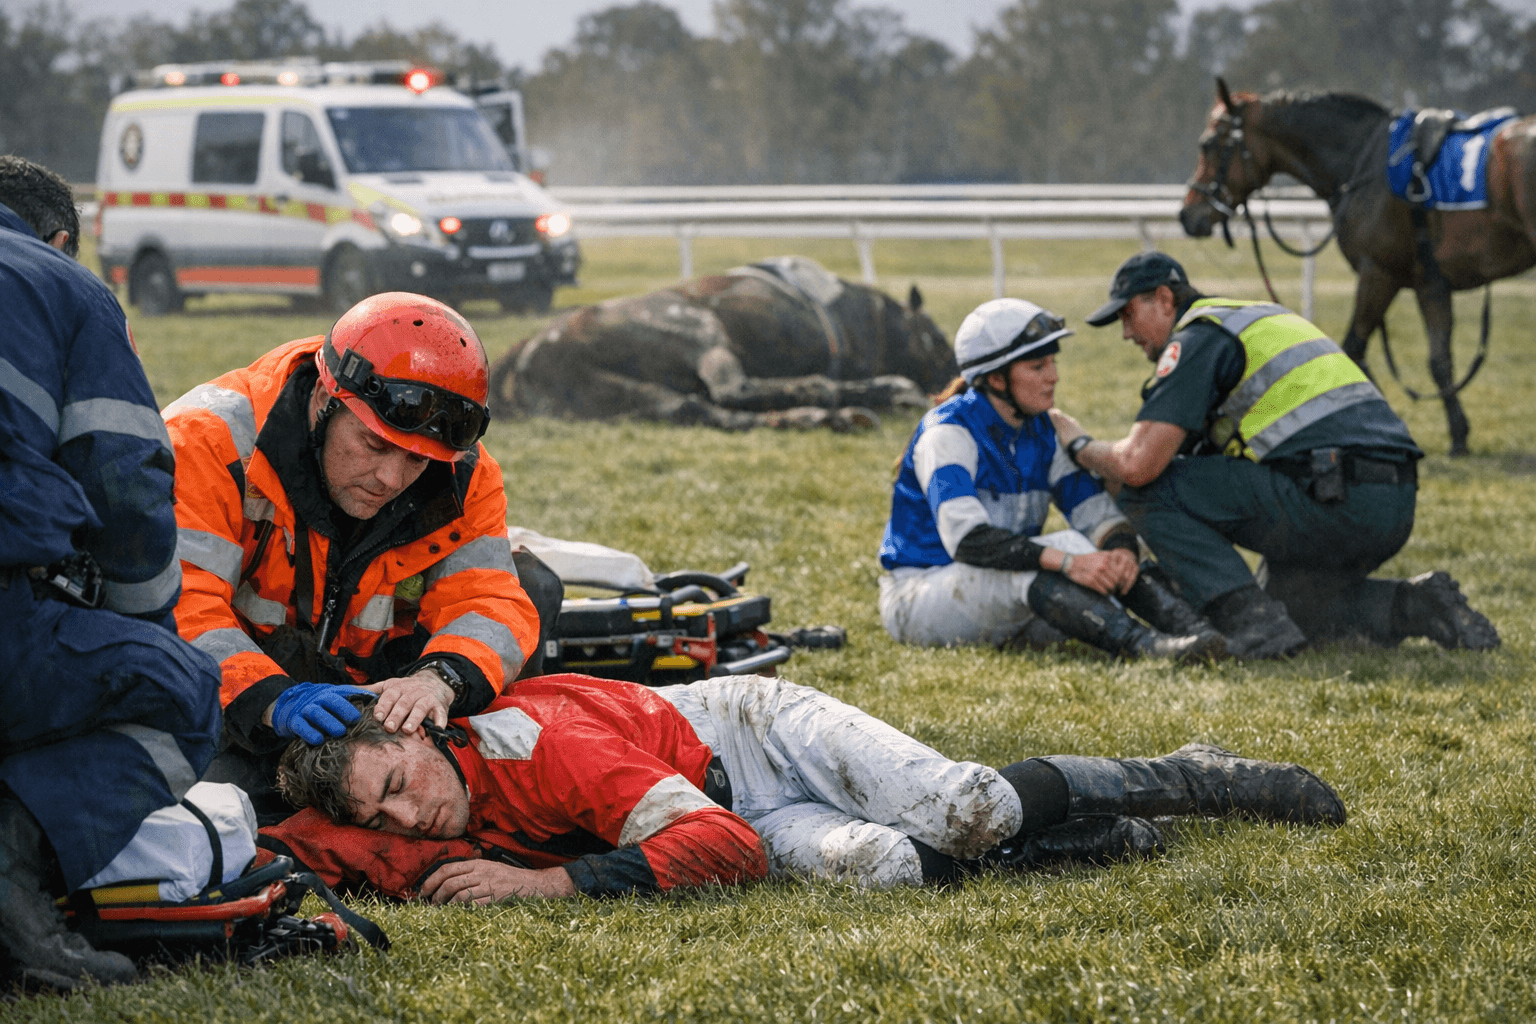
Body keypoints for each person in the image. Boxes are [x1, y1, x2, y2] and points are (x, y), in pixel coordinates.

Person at [261, 672, 1345, 899]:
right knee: (887, 870)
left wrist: (548, 886)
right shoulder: (398, 797)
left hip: (750, 733)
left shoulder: (538, 746)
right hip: (721, 797)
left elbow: (724, 850)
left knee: (964, 808)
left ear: (424, 727)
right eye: (380, 810)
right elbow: (300, 840)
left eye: (397, 779)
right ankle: (1098, 842)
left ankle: (1192, 774)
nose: (407, 816)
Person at [163, 292, 564, 824]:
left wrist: (437, 680)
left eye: (416, 461)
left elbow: (488, 599)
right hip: (242, 695)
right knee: (214, 809)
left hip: (386, 695)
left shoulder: (462, 471)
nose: (390, 479)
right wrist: (270, 699)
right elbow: (175, 605)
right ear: (323, 398)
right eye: (375, 446)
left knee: (531, 585)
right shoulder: (204, 440)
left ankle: (478, 777)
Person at [0, 156, 222, 989]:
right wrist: (140, 632)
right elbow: (124, 485)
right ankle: (12, 891)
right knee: (179, 691)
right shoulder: (64, 286)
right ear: (60, 240)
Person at [1051, 251, 1499, 657]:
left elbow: (1137, 466)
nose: (1127, 333)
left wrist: (1078, 444)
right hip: (1392, 503)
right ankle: (1419, 604)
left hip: (1334, 494)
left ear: (1165, 299)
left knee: (1147, 492)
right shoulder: (1252, 320)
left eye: (1129, 315)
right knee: (1293, 609)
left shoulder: (1199, 338)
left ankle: (1251, 624)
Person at [877, 297, 1225, 661]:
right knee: (1066, 548)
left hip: (997, 589)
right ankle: (1147, 648)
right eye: (1037, 366)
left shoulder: (1041, 430)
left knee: (1103, 547)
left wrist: (1121, 548)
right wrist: (1069, 562)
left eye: (1052, 362)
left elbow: (1094, 514)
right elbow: (968, 541)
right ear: (996, 379)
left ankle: (1198, 633)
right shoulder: (947, 434)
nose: (1053, 376)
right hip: (918, 597)